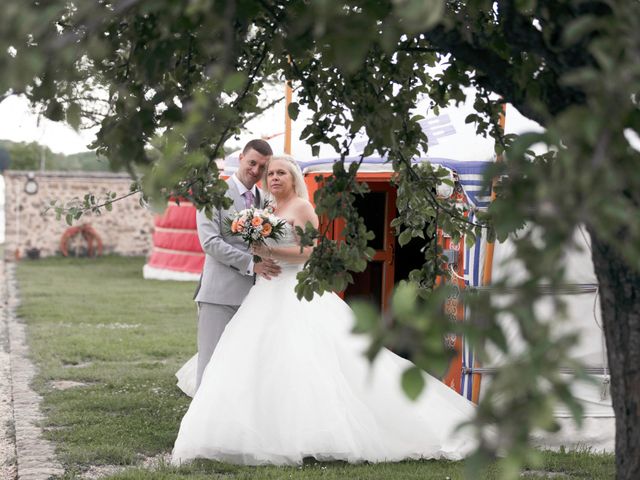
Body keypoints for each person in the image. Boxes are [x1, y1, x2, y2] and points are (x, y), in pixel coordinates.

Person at [172, 155, 477, 466]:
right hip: (264, 291)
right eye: (271, 174)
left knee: (307, 359)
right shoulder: (267, 209)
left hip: (295, 290)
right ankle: (258, 429)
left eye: (282, 173)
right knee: (262, 359)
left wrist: (267, 250)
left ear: (293, 178)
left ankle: (312, 435)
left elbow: (307, 253)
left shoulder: (303, 208)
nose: (275, 178)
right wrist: (256, 249)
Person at [192, 139, 281, 391]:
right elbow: (210, 242)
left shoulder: (265, 199)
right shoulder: (213, 194)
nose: (256, 171)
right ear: (241, 158)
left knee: (243, 367)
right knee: (211, 364)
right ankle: (201, 428)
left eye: (263, 167)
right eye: (252, 163)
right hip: (219, 296)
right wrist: (253, 264)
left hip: (255, 299)